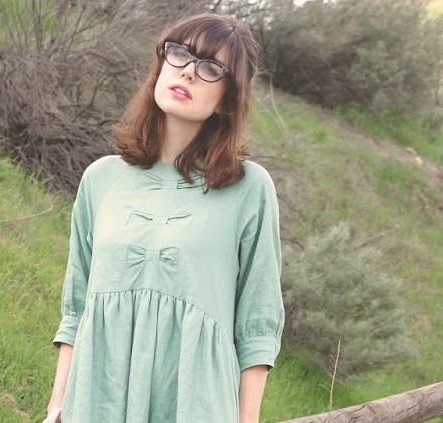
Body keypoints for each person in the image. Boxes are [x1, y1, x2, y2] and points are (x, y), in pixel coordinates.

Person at [43, 13, 284, 423]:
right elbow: (77, 307)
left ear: (228, 97)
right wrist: (56, 408)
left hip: (195, 404)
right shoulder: (101, 179)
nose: (188, 72)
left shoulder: (249, 188)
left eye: (210, 67)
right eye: (179, 54)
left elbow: (257, 327)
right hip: (96, 400)